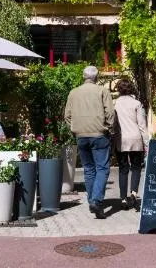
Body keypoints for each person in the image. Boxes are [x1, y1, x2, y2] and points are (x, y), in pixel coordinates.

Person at [64, 65, 115, 219]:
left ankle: (91, 200)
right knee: (102, 168)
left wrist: (74, 129)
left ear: (83, 76)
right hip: (99, 134)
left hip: (80, 135)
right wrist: (109, 128)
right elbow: (110, 113)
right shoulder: (102, 91)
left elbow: (67, 115)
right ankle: (97, 201)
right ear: (96, 77)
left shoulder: (73, 92)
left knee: (88, 169)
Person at [114, 78, 149, 209]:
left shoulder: (115, 104)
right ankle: (133, 193)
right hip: (135, 139)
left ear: (119, 89)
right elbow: (142, 125)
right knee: (136, 168)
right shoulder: (137, 103)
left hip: (121, 140)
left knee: (123, 169)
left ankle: (123, 199)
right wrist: (147, 142)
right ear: (131, 89)